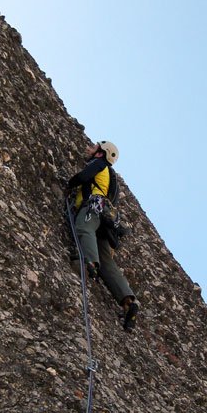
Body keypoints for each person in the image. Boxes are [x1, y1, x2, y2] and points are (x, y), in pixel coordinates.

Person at [66, 141, 139, 332]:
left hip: (93, 207)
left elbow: (83, 176)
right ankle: (127, 301)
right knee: (107, 261)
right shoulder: (111, 180)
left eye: (94, 147)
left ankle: (89, 263)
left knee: (84, 228)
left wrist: (69, 184)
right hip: (106, 220)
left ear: (101, 153)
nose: (89, 148)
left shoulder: (100, 165)